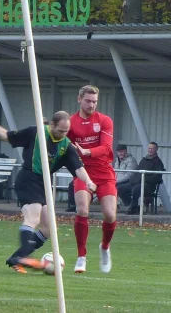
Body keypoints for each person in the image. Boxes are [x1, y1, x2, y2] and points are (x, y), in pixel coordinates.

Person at [0, 106, 97, 274]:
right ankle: (22, 257)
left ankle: (17, 257)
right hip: (27, 178)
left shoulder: (66, 145)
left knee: (49, 228)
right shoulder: (36, 132)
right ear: (53, 125)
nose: (63, 134)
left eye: (66, 131)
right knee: (32, 217)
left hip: (44, 185)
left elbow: (78, 168)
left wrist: (89, 182)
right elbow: (6, 136)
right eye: (61, 131)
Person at [67, 85, 117, 274]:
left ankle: (104, 247)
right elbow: (64, 145)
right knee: (82, 209)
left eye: (94, 101)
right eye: (88, 101)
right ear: (79, 99)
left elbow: (106, 148)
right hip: (83, 172)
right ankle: (81, 256)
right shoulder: (71, 123)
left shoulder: (104, 120)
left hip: (104, 173)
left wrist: (86, 151)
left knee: (110, 215)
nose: (91, 105)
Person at [120, 142, 165, 214]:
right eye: (149, 148)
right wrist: (133, 180)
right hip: (136, 183)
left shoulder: (158, 162)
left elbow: (157, 177)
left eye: (152, 149)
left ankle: (132, 209)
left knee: (136, 189)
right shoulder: (144, 160)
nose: (150, 150)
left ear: (156, 150)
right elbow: (137, 172)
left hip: (148, 185)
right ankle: (131, 205)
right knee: (120, 188)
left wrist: (143, 179)